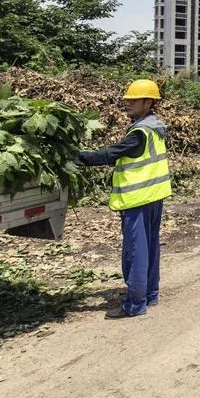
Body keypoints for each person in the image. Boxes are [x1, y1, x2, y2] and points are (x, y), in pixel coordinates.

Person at [78, 79, 172, 319]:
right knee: (150, 247)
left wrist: (79, 158)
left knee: (136, 251)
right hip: (154, 196)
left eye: (133, 100)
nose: (127, 104)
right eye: (127, 100)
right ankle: (150, 295)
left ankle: (134, 304)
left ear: (148, 102)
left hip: (138, 199)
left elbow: (113, 154)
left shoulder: (140, 132)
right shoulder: (155, 126)